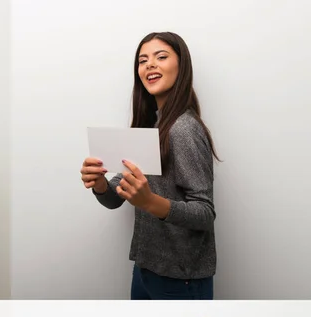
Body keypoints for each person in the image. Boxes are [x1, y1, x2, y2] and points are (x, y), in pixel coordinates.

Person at [80, 32, 220, 300]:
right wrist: (99, 183)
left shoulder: (184, 129)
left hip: (182, 278)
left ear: (182, 67)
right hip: (146, 268)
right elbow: (114, 200)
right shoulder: (149, 127)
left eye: (161, 57)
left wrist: (149, 201)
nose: (150, 65)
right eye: (143, 60)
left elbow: (204, 213)